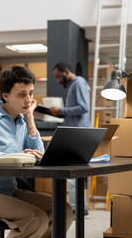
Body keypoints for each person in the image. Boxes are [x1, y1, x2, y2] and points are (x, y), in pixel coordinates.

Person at [0, 66, 73, 238]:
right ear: (6, 96)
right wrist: (6, 157)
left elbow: (39, 155)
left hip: (9, 190)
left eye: (31, 93)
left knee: (63, 210)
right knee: (36, 219)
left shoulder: (22, 119)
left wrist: (30, 120)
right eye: (22, 94)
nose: (28, 100)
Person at [49, 62, 90, 217]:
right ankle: (80, 207)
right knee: (75, 173)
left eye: (59, 77)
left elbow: (84, 107)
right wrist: (60, 114)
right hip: (74, 132)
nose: (58, 81)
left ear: (66, 72)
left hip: (78, 134)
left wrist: (62, 110)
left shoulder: (78, 83)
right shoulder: (74, 85)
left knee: (73, 173)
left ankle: (77, 208)